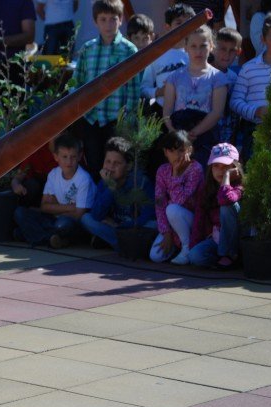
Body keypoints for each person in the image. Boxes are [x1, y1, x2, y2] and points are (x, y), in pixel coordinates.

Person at [72, 0, 140, 182]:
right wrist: (78, 110)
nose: (108, 24)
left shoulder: (129, 50)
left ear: (121, 20)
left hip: (116, 119)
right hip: (91, 118)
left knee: (116, 166)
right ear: (95, 21)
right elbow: (76, 83)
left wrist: (128, 119)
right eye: (103, 19)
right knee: (95, 164)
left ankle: (114, 199)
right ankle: (96, 198)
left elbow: (133, 88)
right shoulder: (87, 49)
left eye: (113, 19)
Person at [13, 132, 95, 248]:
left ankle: (33, 234)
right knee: (20, 212)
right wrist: (70, 207)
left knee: (62, 225)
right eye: (64, 157)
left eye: (72, 157)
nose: (69, 161)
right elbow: (44, 206)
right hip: (54, 217)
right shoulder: (53, 174)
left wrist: (56, 208)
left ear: (79, 156)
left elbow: (79, 213)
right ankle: (52, 239)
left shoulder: (84, 178)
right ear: (56, 157)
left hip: (68, 220)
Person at [162, 25, 229, 167]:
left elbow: (217, 112)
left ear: (211, 46)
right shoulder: (174, 77)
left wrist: (193, 133)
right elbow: (167, 111)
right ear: (185, 47)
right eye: (193, 46)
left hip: (206, 136)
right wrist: (174, 132)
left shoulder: (218, 78)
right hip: (178, 137)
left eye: (203, 46)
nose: (198, 51)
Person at [80, 137, 156, 250]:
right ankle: (125, 245)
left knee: (153, 225)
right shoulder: (104, 182)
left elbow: (148, 215)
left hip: (133, 227)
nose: (111, 167)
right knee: (86, 219)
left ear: (129, 166)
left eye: (117, 163)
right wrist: (110, 188)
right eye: (108, 161)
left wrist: (121, 226)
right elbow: (96, 214)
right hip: (116, 229)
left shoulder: (141, 182)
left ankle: (117, 243)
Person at [231, 12, 271, 163]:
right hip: (256, 129)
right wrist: (256, 111)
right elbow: (235, 102)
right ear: (263, 39)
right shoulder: (249, 68)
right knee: (256, 167)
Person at [149, 130, 204, 264]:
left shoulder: (195, 169)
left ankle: (186, 248)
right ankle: (177, 245)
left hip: (193, 220)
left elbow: (180, 200)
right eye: (171, 151)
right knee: (155, 256)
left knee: (172, 209)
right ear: (165, 152)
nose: (177, 155)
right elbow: (160, 203)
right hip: (172, 223)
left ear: (189, 150)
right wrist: (166, 232)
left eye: (181, 150)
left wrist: (176, 175)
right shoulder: (162, 170)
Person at [188, 142, 243, 269]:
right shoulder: (206, 189)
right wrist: (194, 246)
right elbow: (199, 220)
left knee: (226, 207)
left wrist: (227, 177)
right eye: (216, 166)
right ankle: (226, 260)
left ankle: (229, 255)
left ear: (235, 167)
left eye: (226, 166)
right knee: (195, 256)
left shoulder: (240, 186)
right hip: (217, 239)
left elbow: (225, 199)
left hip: (237, 239)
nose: (220, 170)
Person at [140, 3, 193, 117]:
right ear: (168, 27)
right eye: (179, 23)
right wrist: (160, 91)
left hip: (192, 112)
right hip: (162, 114)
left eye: (188, 23)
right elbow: (144, 89)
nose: (184, 27)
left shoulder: (197, 53)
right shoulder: (156, 55)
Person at [211, 27, 242, 143]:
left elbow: (235, 115)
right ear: (212, 48)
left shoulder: (234, 78)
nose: (227, 54)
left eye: (232, 50)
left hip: (227, 138)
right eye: (223, 49)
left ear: (238, 52)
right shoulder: (205, 75)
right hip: (206, 136)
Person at [10, 139, 57, 208]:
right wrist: (16, 185)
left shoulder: (67, 155)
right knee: (32, 185)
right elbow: (18, 177)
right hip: (37, 192)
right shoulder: (36, 150)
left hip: (55, 195)